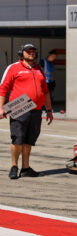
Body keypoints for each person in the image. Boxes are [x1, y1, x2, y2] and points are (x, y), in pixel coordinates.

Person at [0, 44, 53, 179]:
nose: (31, 53)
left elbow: (45, 91)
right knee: (17, 138)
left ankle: (25, 168)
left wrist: (49, 109)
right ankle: (14, 166)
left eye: (33, 51)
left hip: (36, 110)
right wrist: (1, 107)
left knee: (29, 140)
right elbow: (3, 88)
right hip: (19, 107)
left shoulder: (39, 69)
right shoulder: (13, 68)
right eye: (28, 51)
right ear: (21, 53)